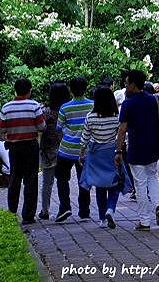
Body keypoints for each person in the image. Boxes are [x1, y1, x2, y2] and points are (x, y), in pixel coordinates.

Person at [115, 69, 159, 230]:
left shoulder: (128, 104)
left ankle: (144, 220)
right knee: (152, 176)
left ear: (132, 84)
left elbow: (122, 129)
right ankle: (158, 204)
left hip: (136, 147)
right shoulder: (155, 100)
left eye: (126, 83)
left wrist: (118, 151)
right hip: (152, 146)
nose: (125, 86)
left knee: (139, 183)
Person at [0, 77, 46, 224]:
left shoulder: (6, 107)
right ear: (29, 90)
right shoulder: (34, 106)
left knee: (14, 179)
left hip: (14, 147)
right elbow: (42, 127)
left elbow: (1, 129)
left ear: (15, 90)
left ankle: (12, 212)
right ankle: (28, 216)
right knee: (31, 180)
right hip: (31, 146)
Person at [79, 86, 128, 229]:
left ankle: (102, 218)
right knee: (115, 183)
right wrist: (120, 151)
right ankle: (110, 210)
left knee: (100, 186)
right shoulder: (116, 117)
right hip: (112, 153)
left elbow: (85, 137)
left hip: (96, 155)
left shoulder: (90, 117)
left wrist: (81, 153)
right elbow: (120, 135)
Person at [54, 76, 93, 223]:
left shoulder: (65, 107)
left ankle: (65, 207)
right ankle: (84, 211)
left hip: (66, 149)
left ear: (71, 90)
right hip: (85, 150)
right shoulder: (92, 105)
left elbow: (59, 127)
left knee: (62, 179)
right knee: (83, 180)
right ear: (85, 88)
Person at [39, 81, 70, 220]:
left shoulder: (45, 112)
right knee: (63, 180)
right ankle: (64, 206)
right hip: (65, 149)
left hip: (48, 151)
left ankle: (45, 210)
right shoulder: (67, 111)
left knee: (47, 182)